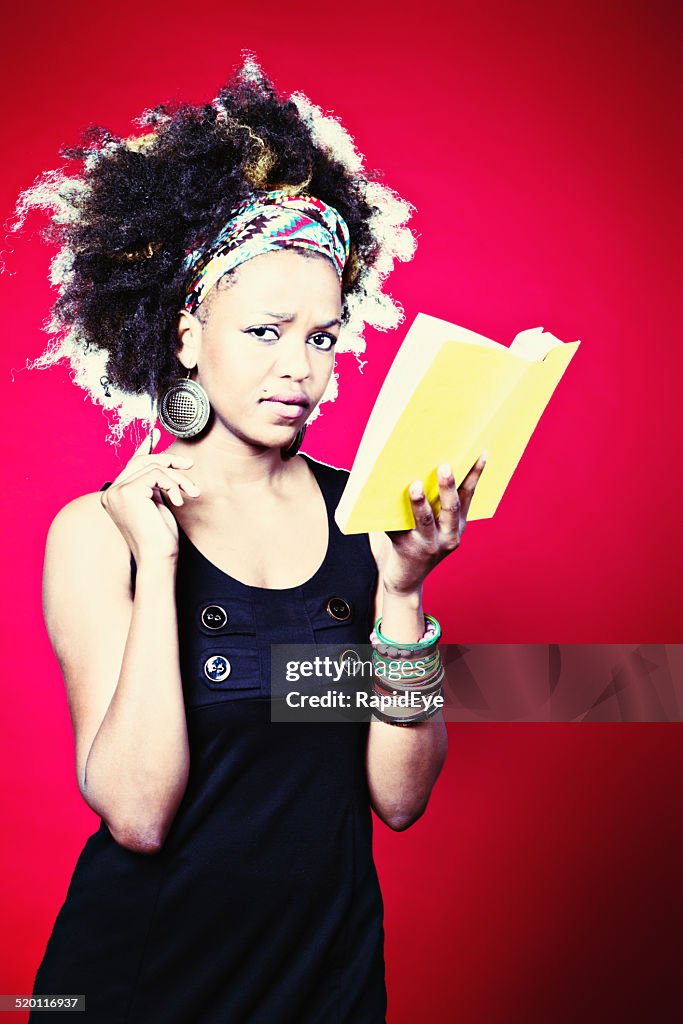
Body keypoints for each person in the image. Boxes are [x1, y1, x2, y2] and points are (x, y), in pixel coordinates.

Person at [20, 57, 486, 1022]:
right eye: (266, 330)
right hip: (146, 983)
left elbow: (398, 802)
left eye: (320, 338)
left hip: (329, 978)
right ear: (189, 330)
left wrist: (401, 594)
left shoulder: (365, 517)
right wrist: (160, 564)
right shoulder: (100, 531)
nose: (298, 369)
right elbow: (138, 815)